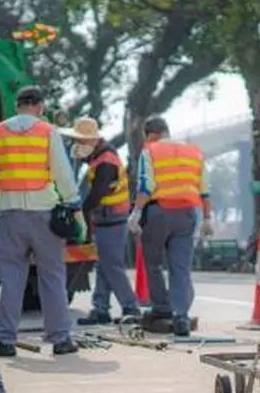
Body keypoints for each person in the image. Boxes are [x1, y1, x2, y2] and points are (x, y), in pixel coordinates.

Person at [0, 86, 86, 357]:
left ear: (16, 106)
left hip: (9, 215)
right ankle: (60, 339)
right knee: (52, 276)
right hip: (44, 214)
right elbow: (62, 173)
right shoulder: (47, 131)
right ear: (40, 106)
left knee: (12, 277)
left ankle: (3, 339)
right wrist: (75, 209)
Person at [129, 116, 210, 337]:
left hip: (159, 212)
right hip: (187, 214)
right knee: (180, 267)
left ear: (150, 135)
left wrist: (136, 213)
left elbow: (146, 185)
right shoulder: (194, 152)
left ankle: (162, 308)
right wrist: (208, 218)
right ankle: (181, 316)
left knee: (153, 263)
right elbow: (204, 188)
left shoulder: (150, 151)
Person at [62, 117, 142, 326]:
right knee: (103, 266)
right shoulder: (100, 159)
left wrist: (79, 213)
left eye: (80, 141)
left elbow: (96, 194)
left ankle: (131, 307)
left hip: (112, 219)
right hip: (107, 219)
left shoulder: (106, 162)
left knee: (112, 266)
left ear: (91, 141)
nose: (76, 146)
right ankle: (101, 308)